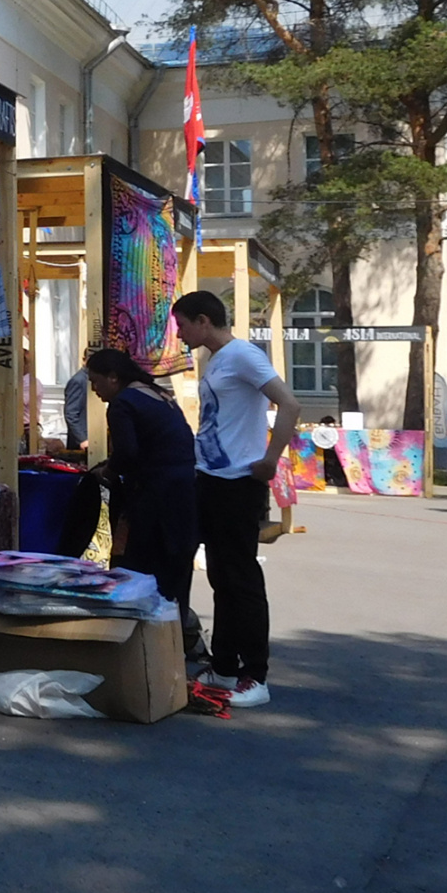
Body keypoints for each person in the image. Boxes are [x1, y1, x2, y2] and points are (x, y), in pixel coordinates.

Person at [170, 289, 299, 708]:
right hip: (211, 478)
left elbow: (289, 403)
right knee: (222, 577)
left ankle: (254, 675)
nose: (180, 333)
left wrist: (270, 459)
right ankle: (224, 667)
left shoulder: (243, 355)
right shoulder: (215, 360)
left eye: (183, 324)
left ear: (204, 320)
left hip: (238, 483)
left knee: (241, 578)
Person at [86, 347, 200, 655]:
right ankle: (174, 643)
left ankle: (139, 648)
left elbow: (128, 453)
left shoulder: (123, 403)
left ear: (114, 377)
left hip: (156, 494)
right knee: (175, 569)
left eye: (97, 382)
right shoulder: (157, 394)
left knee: (140, 568)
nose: (95, 390)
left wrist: (107, 472)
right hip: (185, 490)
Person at [63, 366, 90, 456]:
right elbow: (71, 413)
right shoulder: (78, 380)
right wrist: (82, 439)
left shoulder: (87, 378)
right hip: (82, 442)